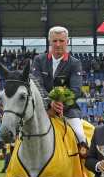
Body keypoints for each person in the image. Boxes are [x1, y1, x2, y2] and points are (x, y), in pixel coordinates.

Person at [31, 26, 87, 156]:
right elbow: (36, 85)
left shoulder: (75, 63)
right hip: (42, 109)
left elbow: (76, 90)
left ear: (67, 42)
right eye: (55, 41)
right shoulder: (39, 60)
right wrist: (49, 103)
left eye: (61, 41)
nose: (58, 44)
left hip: (68, 110)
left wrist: (61, 105)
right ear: (49, 41)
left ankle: (84, 166)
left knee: (80, 134)